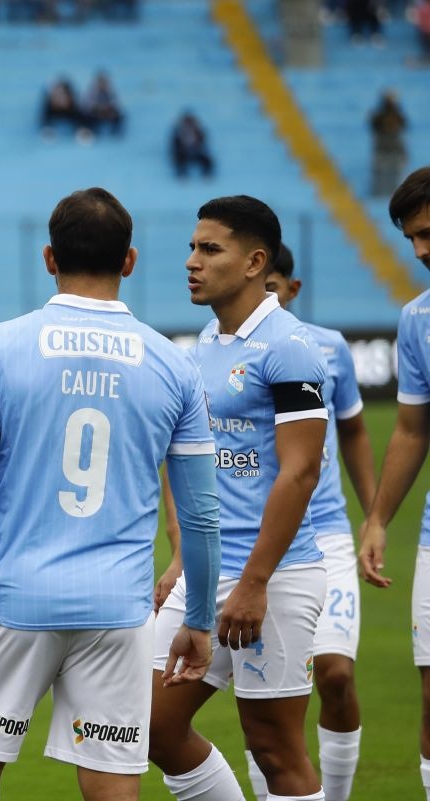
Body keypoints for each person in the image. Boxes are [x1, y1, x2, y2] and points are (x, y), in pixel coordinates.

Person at [0, 187, 220, 801]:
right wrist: (196, 618)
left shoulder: (0, 346)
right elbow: (199, 511)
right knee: (113, 782)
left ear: (49, 258)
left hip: (15, 599)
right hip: (119, 606)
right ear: (131, 261)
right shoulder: (173, 364)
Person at [150, 196, 329, 801]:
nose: (191, 262)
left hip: (273, 577)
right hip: (205, 573)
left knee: (275, 748)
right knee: (149, 725)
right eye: (192, 248)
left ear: (255, 262)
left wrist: (254, 582)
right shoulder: (208, 339)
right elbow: (200, 465)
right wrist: (181, 561)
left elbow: (300, 472)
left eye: (209, 249)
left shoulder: (290, 347)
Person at [245, 243, 374, 801]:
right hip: (262, 536)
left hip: (325, 532)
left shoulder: (328, 348)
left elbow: (354, 430)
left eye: (273, 288)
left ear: (292, 289)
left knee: (337, 674)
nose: (264, 299)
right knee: (270, 701)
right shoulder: (231, 351)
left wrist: (375, 518)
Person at [358, 166, 430, 800]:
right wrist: (379, 518)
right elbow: (411, 430)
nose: (422, 250)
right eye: (412, 238)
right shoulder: (418, 319)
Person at [369, 90, 407, 199]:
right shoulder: (378, 117)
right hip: (382, 151)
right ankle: (378, 195)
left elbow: (403, 128)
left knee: (397, 177)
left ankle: (396, 196)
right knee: (380, 177)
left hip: (395, 151)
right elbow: (374, 126)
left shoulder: (399, 117)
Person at [171, 111, 215, 179]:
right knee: (179, 159)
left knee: (207, 160)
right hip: (183, 153)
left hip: (196, 152)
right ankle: (182, 174)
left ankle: (207, 174)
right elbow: (175, 146)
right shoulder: (179, 132)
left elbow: (203, 143)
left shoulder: (198, 131)